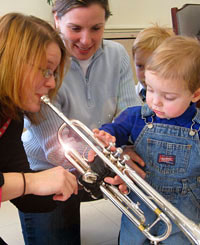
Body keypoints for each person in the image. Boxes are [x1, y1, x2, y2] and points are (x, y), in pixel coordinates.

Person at [19, 1, 141, 244]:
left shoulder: (117, 54)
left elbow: (131, 113)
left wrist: (126, 151)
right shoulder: (43, 62)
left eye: (96, 28)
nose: (86, 40)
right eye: (75, 28)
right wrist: (114, 159)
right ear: (56, 20)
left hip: (104, 160)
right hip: (48, 169)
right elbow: (55, 148)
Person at [93, 35, 200, 244]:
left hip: (185, 209)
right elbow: (116, 128)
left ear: (195, 94)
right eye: (150, 89)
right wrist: (107, 134)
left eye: (168, 97)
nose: (155, 102)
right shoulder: (137, 116)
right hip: (139, 202)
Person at [0, 12, 79, 244]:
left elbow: (25, 197)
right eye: (45, 70)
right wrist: (31, 182)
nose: (52, 83)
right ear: (11, 62)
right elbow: (24, 183)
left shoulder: (11, 118)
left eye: (53, 73)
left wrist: (72, 182)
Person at [133, 24, 174, 103]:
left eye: (153, 67)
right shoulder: (132, 95)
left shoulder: (175, 97)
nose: (146, 74)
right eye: (140, 66)